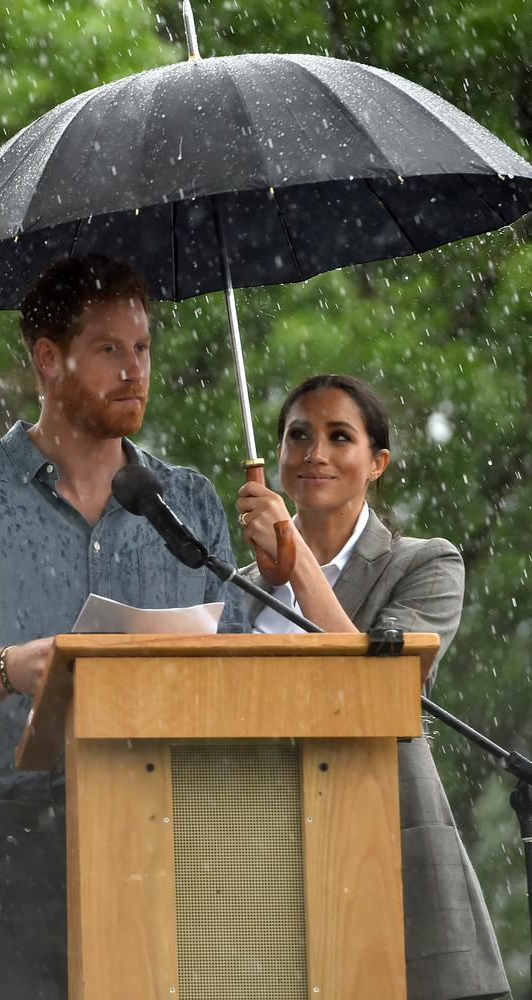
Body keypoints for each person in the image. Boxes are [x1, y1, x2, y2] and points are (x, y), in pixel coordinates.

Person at [0, 254, 248, 1000]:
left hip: (165, 834)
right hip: (7, 843)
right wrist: (8, 668)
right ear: (47, 358)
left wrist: (280, 572)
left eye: (142, 348)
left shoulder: (188, 502)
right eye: (110, 349)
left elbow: (237, 671)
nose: (134, 370)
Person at [236, 373, 509, 1000]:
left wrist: (296, 563)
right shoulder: (235, 588)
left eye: (339, 437)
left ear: (376, 462)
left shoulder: (425, 564)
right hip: (264, 867)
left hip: (386, 857)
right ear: (275, 458)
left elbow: (373, 691)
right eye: (298, 436)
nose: (315, 454)